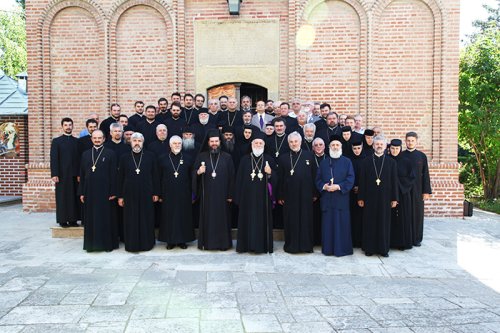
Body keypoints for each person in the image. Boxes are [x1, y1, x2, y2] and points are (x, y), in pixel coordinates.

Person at [192, 130, 235, 251]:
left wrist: (230, 194)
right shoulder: (202, 156)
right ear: (208, 142)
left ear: (220, 142)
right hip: (208, 196)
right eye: (212, 141)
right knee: (208, 219)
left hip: (223, 196)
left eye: (216, 141)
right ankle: (207, 243)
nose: (214, 143)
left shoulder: (227, 157)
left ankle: (223, 244)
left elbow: (232, 176)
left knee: (222, 219)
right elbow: (193, 173)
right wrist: (198, 172)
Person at [117, 133, 160, 252]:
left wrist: (156, 192)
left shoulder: (150, 156)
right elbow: (120, 177)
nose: (137, 143)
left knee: (146, 218)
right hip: (129, 194)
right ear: (130, 142)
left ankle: (147, 243)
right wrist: (120, 196)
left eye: (139, 141)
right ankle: (131, 244)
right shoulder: (124, 157)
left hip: (147, 192)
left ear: (143, 142)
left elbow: (155, 175)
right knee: (131, 219)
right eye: (134, 140)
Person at [234, 132, 276, 254]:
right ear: (251, 144)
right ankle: (244, 246)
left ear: (264, 144)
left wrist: (270, 173)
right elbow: (239, 179)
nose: (258, 145)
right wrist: (238, 198)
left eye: (260, 143)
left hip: (263, 199)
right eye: (256, 143)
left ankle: (262, 246)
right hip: (247, 198)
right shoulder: (244, 160)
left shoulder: (269, 159)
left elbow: (276, 179)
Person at [357, 135, 399, 257]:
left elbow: (394, 181)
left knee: (384, 223)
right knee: (369, 222)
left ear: (386, 146)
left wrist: (395, 198)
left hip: (386, 198)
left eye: (381, 144)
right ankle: (369, 248)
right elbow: (362, 181)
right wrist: (360, 197)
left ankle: (383, 249)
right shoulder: (366, 161)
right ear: (373, 145)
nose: (379, 146)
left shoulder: (391, 162)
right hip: (369, 198)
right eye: (377, 144)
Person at [78, 130, 119, 252]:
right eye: (95, 138)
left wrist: (113, 191)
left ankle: (107, 245)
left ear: (104, 139)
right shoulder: (85, 154)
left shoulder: (110, 153)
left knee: (106, 218)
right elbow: (82, 174)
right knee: (91, 219)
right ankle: (91, 245)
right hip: (89, 191)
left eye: (99, 138)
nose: (97, 140)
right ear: (91, 139)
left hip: (105, 192)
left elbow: (114, 174)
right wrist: (81, 192)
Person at [277, 131, 317, 253]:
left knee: (306, 220)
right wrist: (280, 195)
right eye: (291, 142)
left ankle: (306, 246)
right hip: (289, 195)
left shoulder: (309, 155)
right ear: (288, 143)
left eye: (296, 141)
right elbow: (280, 178)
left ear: (300, 142)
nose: (294, 144)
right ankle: (291, 246)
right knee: (291, 220)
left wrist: (314, 193)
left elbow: (314, 175)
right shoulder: (283, 157)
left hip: (306, 194)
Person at [316, 136, 355, 256]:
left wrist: (338, 186)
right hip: (327, 199)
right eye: (333, 145)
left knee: (342, 225)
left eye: (337, 145)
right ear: (329, 148)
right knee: (328, 225)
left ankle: (342, 249)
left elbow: (351, 179)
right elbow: (318, 180)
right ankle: (328, 249)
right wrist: (325, 187)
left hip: (341, 199)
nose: (335, 147)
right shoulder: (324, 163)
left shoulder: (347, 162)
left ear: (341, 147)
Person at [158, 135, 195, 249]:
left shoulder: (188, 158)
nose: (177, 145)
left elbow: (192, 176)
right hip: (167, 193)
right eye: (174, 143)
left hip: (184, 193)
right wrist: (159, 194)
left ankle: (182, 240)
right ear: (170, 145)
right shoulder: (162, 158)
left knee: (183, 216)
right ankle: (170, 241)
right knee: (169, 217)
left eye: (179, 143)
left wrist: (193, 194)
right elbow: (158, 177)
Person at [401, 131, 432, 247]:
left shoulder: (421, 156)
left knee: (418, 214)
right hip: (405, 189)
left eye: (412, 141)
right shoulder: (402, 155)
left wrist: (426, 191)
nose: (410, 143)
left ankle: (417, 239)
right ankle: (407, 237)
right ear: (405, 141)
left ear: (416, 141)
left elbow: (426, 175)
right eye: (408, 140)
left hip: (418, 190)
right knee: (406, 214)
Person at [51, 117, 81, 227]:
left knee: (74, 197)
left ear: (73, 126)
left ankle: (73, 220)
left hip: (74, 175)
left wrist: (79, 174)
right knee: (63, 197)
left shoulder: (76, 141)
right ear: (62, 126)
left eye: (70, 125)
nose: (68, 127)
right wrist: (55, 174)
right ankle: (63, 220)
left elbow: (79, 159)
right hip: (62, 175)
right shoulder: (57, 141)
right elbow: (54, 158)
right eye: (66, 125)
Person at [389, 139, 415, 250]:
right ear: (389, 149)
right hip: (389, 195)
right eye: (392, 148)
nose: (395, 151)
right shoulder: (387, 160)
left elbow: (411, 178)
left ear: (400, 148)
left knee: (403, 218)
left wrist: (399, 185)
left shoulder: (406, 161)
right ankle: (390, 242)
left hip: (403, 194)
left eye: (397, 149)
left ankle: (402, 243)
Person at [349, 141, 365, 248]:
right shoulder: (349, 160)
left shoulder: (366, 160)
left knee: (362, 217)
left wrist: (360, 188)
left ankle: (361, 240)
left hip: (363, 193)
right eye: (355, 148)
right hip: (351, 193)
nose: (357, 151)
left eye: (359, 148)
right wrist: (353, 186)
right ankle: (353, 240)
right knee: (352, 217)